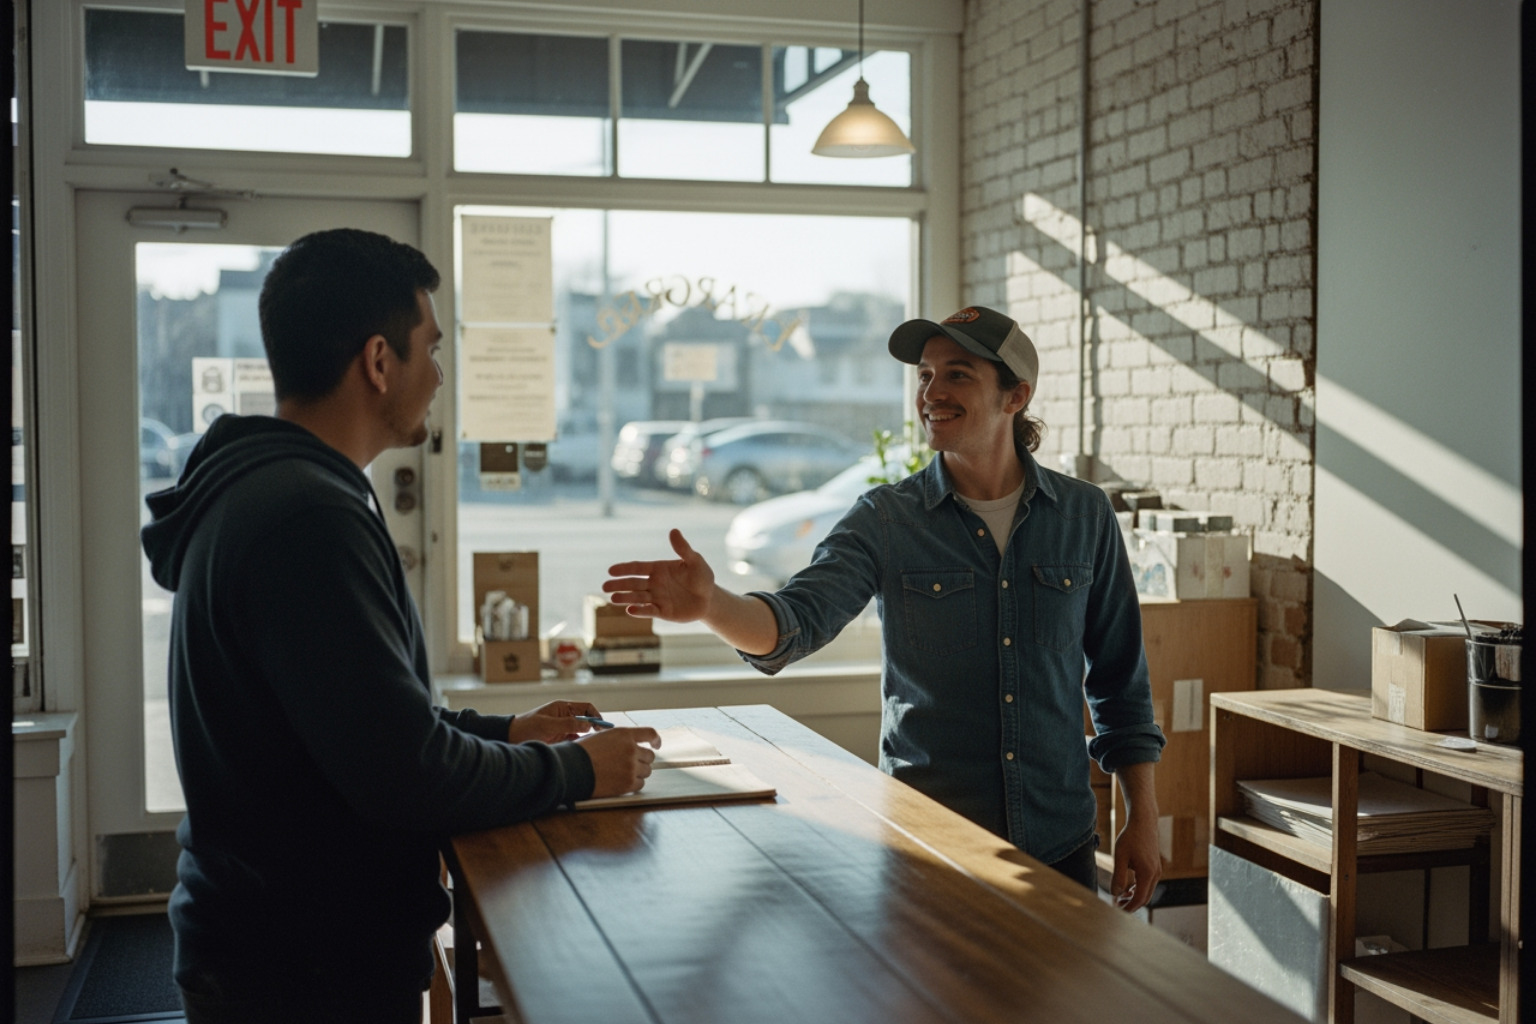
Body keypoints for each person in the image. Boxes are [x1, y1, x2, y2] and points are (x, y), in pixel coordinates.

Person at [141, 228, 660, 1024]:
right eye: (432, 349)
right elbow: (407, 774)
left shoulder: (278, 488)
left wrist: (510, 728)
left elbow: (362, 722)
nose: (442, 375)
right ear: (380, 362)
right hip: (302, 972)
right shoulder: (307, 516)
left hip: (276, 945)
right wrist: (584, 773)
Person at [605, 305, 1165, 909]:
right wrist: (713, 605)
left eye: (957, 375)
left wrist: (1144, 814)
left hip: (1060, 846)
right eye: (925, 375)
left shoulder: (1085, 516)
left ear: (1015, 396)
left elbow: (1119, 680)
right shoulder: (887, 519)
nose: (931, 392)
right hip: (927, 849)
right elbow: (796, 622)